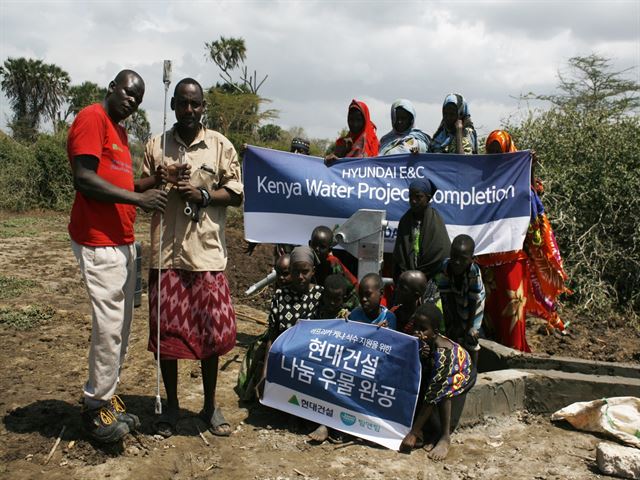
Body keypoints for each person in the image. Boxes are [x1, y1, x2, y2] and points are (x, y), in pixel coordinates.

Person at [68, 70, 168, 443]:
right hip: (98, 240)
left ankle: (107, 395)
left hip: (122, 241)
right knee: (109, 328)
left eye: (138, 99)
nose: (132, 101)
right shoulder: (93, 118)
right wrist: (139, 200)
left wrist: (154, 180)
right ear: (112, 87)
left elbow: (124, 184)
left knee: (121, 328)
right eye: (128, 93)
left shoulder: (121, 133)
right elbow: (85, 178)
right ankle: (96, 408)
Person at [144, 77, 243, 437]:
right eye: (182, 104)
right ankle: (170, 407)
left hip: (206, 256)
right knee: (167, 338)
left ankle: (209, 406)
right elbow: (141, 191)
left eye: (195, 104)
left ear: (203, 107)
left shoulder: (220, 145)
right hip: (165, 257)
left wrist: (201, 194)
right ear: (172, 106)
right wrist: (163, 181)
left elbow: (235, 194)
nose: (189, 110)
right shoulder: (156, 145)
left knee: (211, 337)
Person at [478, 130, 570, 351]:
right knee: (490, 314)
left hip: (512, 259)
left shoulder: (519, 182)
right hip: (485, 261)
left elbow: (529, 203)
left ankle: (516, 356)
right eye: (490, 152)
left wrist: (528, 170)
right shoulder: (480, 181)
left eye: (499, 151)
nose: (495, 157)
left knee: (512, 315)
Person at [400, 304, 475, 460]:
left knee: (441, 392)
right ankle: (431, 432)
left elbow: (431, 396)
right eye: (416, 327)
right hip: (440, 372)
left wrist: (413, 433)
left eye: (423, 329)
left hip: (462, 372)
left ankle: (444, 436)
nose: (417, 332)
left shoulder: (443, 355)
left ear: (434, 333)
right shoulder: (423, 343)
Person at [393, 179, 451, 302]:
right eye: (411, 197)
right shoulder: (405, 221)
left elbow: (440, 254)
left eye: (418, 197)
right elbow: (400, 253)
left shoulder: (435, 221)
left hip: (432, 282)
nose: (413, 201)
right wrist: (409, 276)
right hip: (408, 283)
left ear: (428, 198)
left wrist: (421, 275)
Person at [436, 235, 485, 365]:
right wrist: (455, 322)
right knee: (453, 331)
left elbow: (473, 301)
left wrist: (469, 327)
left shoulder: (473, 272)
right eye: (454, 256)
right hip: (455, 297)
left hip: (475, 303)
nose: (457, 262)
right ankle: (455, 366)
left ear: (472, 260)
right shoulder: (445, 267)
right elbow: (447, 296)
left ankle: (473, 370)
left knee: (471, 336)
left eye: (462, 259)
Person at [309, 225, 359, 309]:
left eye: (322, 247)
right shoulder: (305, 262)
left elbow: (354, 287)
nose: (317, 249)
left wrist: (344, 307)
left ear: (329, 249)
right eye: (314, 245)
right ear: (309, 244)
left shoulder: (334, 264)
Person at [325, 99, 379, 164]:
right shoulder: (343, 143)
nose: (354, 124)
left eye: (358, 120)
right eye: (351, 119)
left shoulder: (373, 143)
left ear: (365, 120)